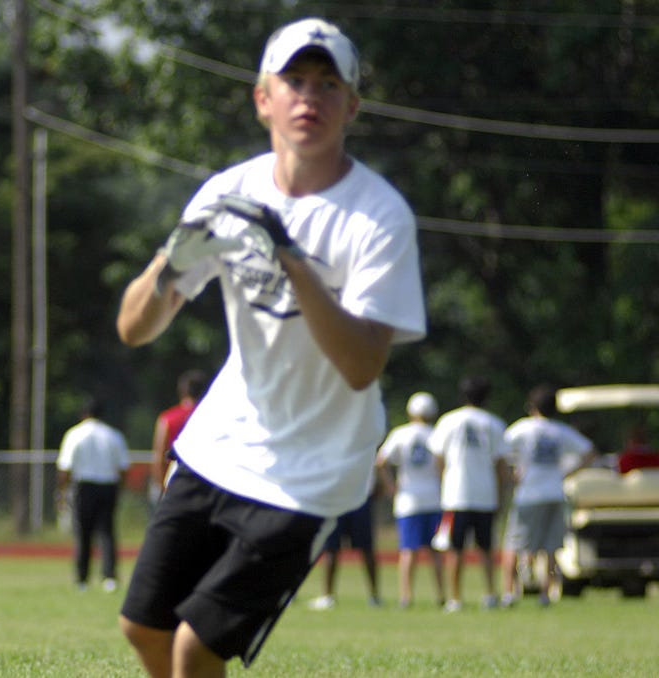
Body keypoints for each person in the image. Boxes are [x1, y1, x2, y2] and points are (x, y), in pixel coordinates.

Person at [114, 17, 425, 676]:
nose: (309, 98)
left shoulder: (379, 215)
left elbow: (363, 365)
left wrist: (291, 259)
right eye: (294, 81)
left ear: (351, 106)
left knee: (197, 647)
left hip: (313, 472)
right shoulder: (228, 195)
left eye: (327, 84)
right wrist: (171, 262)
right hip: (221, 444)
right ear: (263, 99)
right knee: (144, 628)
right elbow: (134, 329)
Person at [499, 385, 595, 607]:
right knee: (550, 548)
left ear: (532, 406)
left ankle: (508, 592)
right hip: (554, 492)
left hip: (529, 493)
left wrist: (511, 475)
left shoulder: (523, 428)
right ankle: (546, 593)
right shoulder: (560, 431)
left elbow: (501, 450)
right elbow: (589, 452)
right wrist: (566, 473)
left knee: (514, 544)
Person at [427, 376, 511, 612]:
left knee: (455, 549)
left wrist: (444, 481)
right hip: (485, 494)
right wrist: (502, 492)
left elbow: (438, 458)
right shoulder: (494, 423)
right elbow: (500, 465)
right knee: (486, 548)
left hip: (456, 494)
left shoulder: (448, 420)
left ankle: (455, 598)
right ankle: (490, 595)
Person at [375, 391, 445, 609]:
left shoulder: (401, 433)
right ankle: (442, 596)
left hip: (408, 499)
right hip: (434, 498)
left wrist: (390, 486)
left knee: (408, 550)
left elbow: (381, 461)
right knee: (436, 551)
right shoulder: (437, 433)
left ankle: (406, 597)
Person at [56, 397, 132, 592]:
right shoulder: (113, 435)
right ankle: (109, 577)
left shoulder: (75, 434)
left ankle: (82, 579)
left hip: (84, 486)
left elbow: (65, 467)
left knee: (83, 532)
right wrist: (120, 489)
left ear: (83, 413)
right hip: (108, 485)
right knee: (107, 532)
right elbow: (123, 467)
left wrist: (62, 491)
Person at [305, 475, 382, 610]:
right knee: (332, 548)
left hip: (353, 496)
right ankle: (328, 596)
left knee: (365, 547)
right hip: (343, 496)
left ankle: (374, 596)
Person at [149, 369, 208, 506]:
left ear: (182, 391)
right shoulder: (212, 419)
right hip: (206, 484)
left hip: (176, 483)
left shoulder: (168, 419)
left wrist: (161, 485)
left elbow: (160, 456)